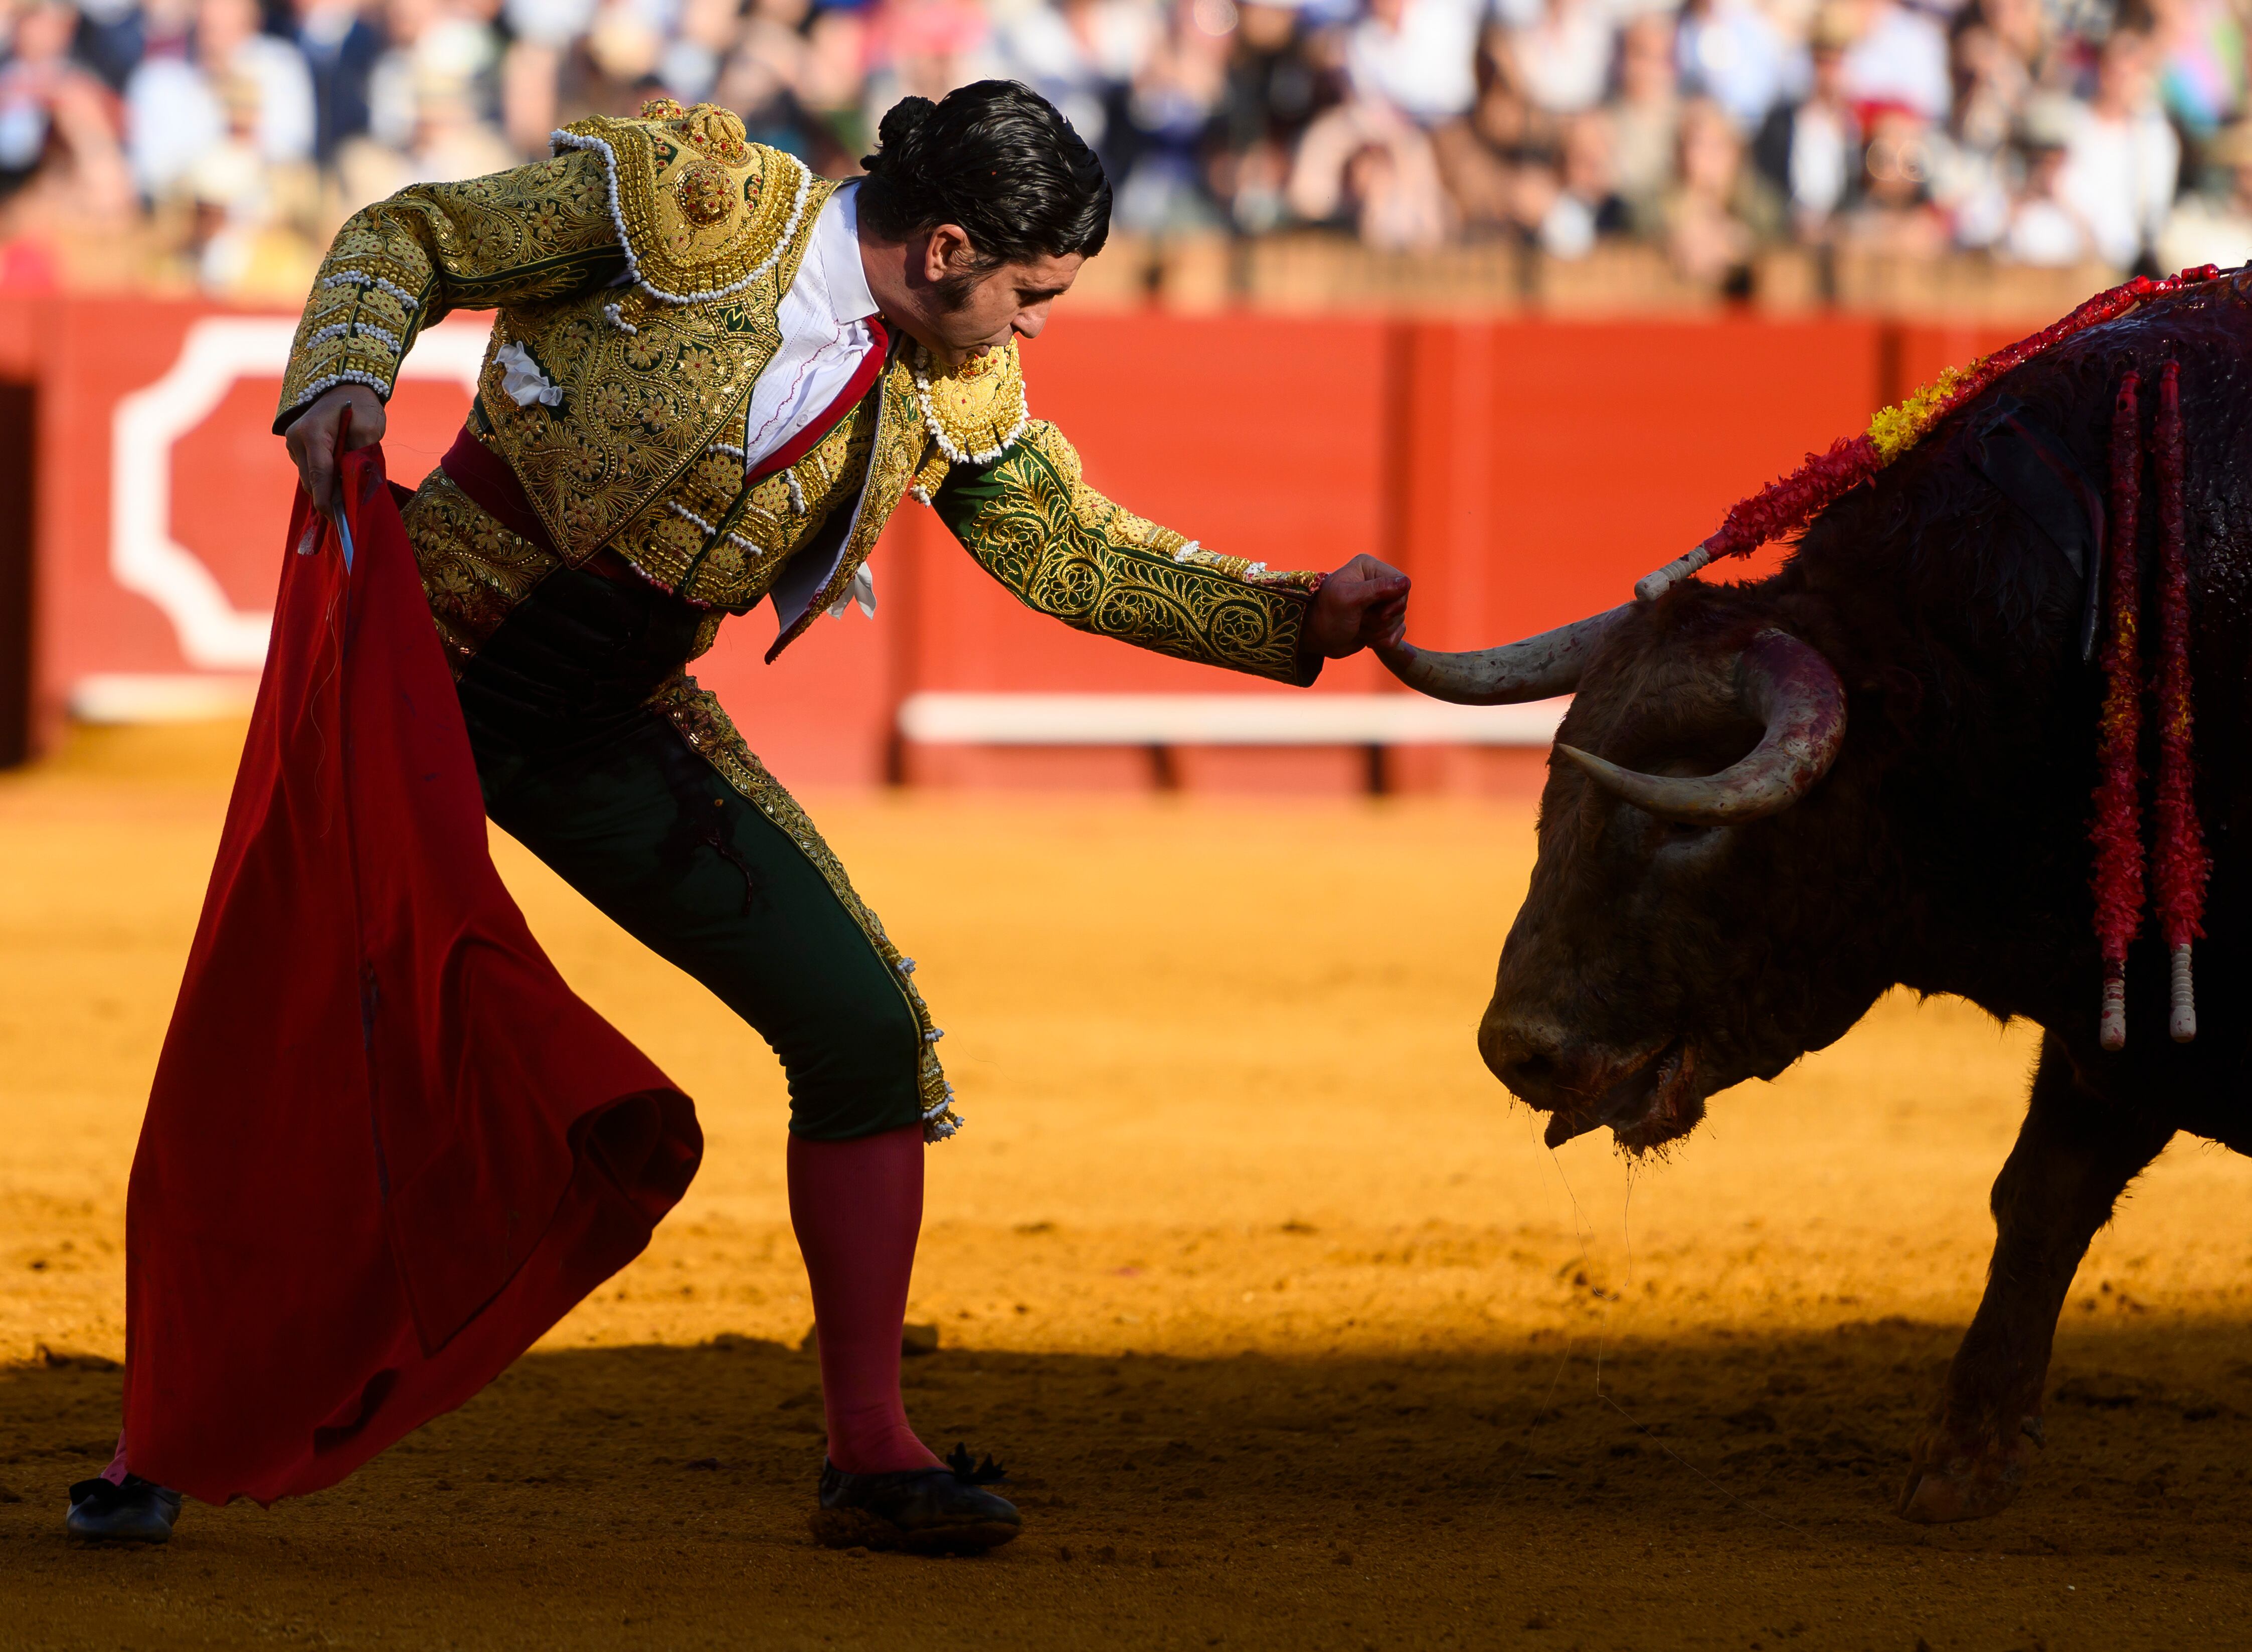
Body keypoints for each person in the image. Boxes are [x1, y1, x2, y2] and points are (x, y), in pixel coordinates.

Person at [68, 78, 1410, 1550]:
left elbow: (1064, 553)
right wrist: (342, 375)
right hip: (414, 675)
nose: (1035, 329)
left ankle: (871, 1448)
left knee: (862, 1036)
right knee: (298, 1051)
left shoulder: (946, 380)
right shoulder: (684, 213)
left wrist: (1294, 614)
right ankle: (162, 1440)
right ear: (950, 248)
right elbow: (416, 236)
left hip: (609, 720)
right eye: (1032, 295)